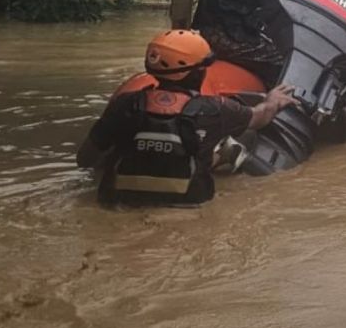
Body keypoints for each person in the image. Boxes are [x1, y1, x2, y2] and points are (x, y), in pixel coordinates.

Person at [76, 29, 296, 206]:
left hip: (119, 203)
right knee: (229, 138)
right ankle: (225, 153)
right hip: (188, 203)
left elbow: (85, 159)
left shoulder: (123, 104)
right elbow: (259, 118)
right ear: (198, 72)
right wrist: (272, 100)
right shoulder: (216, 109)